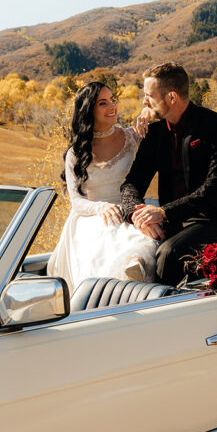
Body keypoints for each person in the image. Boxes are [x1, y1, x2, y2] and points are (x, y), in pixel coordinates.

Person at [121, 62, 217, 285]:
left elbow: (216, 189)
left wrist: (163, 212)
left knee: (168, 254)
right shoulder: (155, 134)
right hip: (174, 224)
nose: (144, 102)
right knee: (124, 248)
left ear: (172, 97)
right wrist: (137, 214)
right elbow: (131, 183)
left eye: (149, 96)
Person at [47, 82, 158, 290]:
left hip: (130, 208)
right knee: (104, 241)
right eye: (103, 103)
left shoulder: (131, 137)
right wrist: (101, 207)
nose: (112, 106)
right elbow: (77, 202)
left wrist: (147, 111)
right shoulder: (76, 153)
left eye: (113, 100)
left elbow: (164, 114)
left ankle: (135, 272)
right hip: (94, 216)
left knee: (145, 238)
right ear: (89, 109)